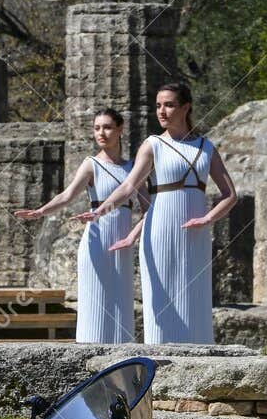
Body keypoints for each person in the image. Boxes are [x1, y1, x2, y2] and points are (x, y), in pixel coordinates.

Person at [77, 84, 237, 343]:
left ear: (186, 108)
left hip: (195, 233)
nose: (162, 111)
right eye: (159, 105)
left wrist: (209, 218)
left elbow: (230, 194)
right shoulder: (153, 145)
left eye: (169, 105)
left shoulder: (206, 147)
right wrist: (100, 211)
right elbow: (129, 186)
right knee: (161, 305)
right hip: (159, 229)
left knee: (195, 300)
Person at [15, 108, 143, 343]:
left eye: (107, 127)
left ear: (120, 129)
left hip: (121, 244)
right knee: (95, 303)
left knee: (121, 303)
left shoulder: (133, 168)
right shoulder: (91, 164)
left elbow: (150, 208)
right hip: (96, 240)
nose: (101, 133)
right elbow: (67, 196)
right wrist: (41, 211)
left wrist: (132, 237)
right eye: (96, 128)